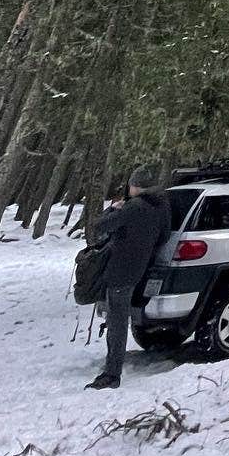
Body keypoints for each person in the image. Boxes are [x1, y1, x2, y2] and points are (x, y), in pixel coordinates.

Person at [86, 163, 172, 389]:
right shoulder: (162, 206)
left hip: (120, 269)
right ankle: (112, 367)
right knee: (118, 317)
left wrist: (113, 209)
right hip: (140, 267)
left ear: (136, 186)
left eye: (131, 185)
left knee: (117, 320)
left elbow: (100, 226)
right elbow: (164, 237)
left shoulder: (134, 207)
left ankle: (112, 372)